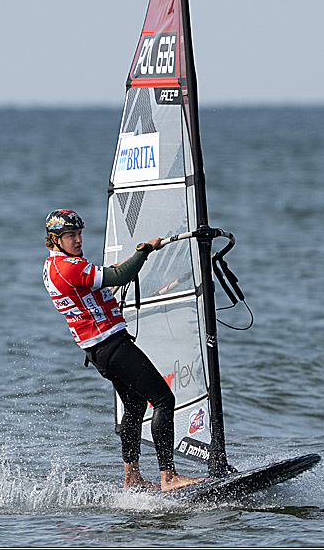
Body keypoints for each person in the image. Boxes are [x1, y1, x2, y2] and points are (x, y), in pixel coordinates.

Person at [42, 208, 205, 492]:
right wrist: (144, 251)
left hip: (98, 351)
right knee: (163, 399)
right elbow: (119, 275)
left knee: (135, 405)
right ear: (55, 239)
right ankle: (169, 476)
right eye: (70, 236)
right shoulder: (69, 267)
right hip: (111, 345)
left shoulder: (54, 266)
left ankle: (132, 479)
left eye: (79, 234)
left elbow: (103, 283)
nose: (78, 240)